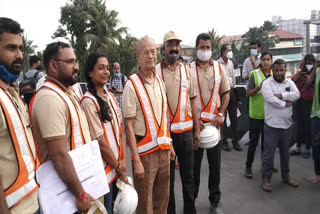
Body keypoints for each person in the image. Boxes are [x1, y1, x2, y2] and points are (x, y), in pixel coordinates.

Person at [30, 41, 94, 213]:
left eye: (76, 61)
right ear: (53, 65)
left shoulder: (65, 93)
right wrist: (80, 195)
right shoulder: (49, 98)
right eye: (71, 62)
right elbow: (58, 154)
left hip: (75, 188)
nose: (76, 67)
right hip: (65, 196)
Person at [122, 36, 175, 214]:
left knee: (162, 200)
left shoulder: (159, 81)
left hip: (164, 151)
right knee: (145, 204)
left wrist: (171, 145)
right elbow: (128, 126)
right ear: (138, 57)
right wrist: (136, 160)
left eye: (153, 51)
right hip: (144, 156)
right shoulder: (131, 85)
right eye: (146, 52)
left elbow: (164, 116)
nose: (151, 56)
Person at [156, 31, 200, 214]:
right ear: (164, 49)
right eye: (170, 44)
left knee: (188, 178)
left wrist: (197, 131)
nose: (174, 48)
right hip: (167, 136)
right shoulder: (156, 72)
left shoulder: (187, 70)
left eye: (177, 45)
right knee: (168, 180)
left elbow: (192, 101)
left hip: (187, 134)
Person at [0, 17, 39, 214]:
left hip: (32, 200)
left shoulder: (11, 91)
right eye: (11, 48)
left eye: (21, 48)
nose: (19, 55)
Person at [81, 53, 127, 214]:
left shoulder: (110, 97)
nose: (106, 72)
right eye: (101, 68)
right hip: (103, 174)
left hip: (117, 167)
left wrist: (124, 161)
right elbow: (99, 141)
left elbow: (121, 131)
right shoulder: (88, 102)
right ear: (90, 73)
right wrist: (119, 167)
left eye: (107, 68)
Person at [190, 33, 230, 214]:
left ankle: (215, 201)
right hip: (196, 128)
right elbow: (184, 98)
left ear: (211, 49)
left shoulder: (219, 69)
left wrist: (221, 114)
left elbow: (226, 93)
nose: (205, 51)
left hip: (214, 127)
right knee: (193, 170)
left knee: (215, 168)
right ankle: (192, 202)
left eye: (208, 48)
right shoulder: (187, 69)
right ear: (196, 48)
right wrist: (193, 119)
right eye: (202, 47)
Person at [260, 58, 300, 192]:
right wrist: (285, 103)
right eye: (276, 70)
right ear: (272, 70)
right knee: (269, 154)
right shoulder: (267, 83)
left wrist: (281, 95)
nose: (278, 73)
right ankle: (266, 179)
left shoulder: (290, 82)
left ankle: (286, 176)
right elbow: (270, 99)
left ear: (285, 70)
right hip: (272, 125)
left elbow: (297, 94)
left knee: (285, 153)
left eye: (281, 70)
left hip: (286, 125)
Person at [244, 51, 277, 178]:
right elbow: (248, 93)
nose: (266, 62)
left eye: (268, 59)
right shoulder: (254, 74)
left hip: (270, 115)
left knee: (267, 143)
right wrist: (259, 87)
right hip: (256, 115)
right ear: (260, 61)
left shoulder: (275, 74)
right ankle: (248, 167)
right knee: (253, 142)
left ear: (271, 61)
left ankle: (266, 165)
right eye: (264, 59)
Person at [290, 54, 316, 158]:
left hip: (310, 101)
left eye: (311, 63)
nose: (309, 65)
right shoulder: (302, 72)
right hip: (299, 100)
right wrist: (301, 69)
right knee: (299, 125)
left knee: (307, 126)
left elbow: (310, 84)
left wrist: (314, 70)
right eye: (307, 63)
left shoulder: (316, 73)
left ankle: (308, 148)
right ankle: (298, 148)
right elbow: (293, 80)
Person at [219, 43, 241, 152]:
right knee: (223, 119)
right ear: (224, 52)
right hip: (222, 93)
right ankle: (224, 141)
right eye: (229, 50)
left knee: (234, 118)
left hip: (231, 92)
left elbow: (233, 78)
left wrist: (235, 92)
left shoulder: (231, 63)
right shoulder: (217, 64)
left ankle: (235, 141)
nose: (230, 52)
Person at [305, 58, 320, 183]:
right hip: (316, 116)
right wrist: (315, 68)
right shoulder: (318, 71)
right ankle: (318, 173)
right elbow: (308, 85)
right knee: (316, 145)